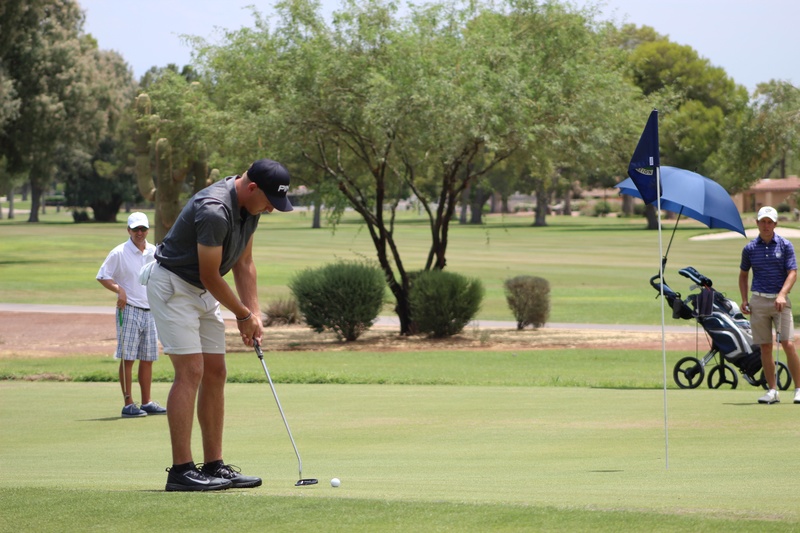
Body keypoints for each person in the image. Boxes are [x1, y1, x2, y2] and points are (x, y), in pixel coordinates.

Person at [145, 158, 293, 492]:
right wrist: (241, 315)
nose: (271, 208)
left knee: (216, 371)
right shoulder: (214, 210)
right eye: (270, 201)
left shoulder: (250, 208)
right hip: (173, 286)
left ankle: (214, 465)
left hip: (202, 290)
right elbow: (210, 274)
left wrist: (253, 313)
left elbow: (245, 262)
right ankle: (181, 471)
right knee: (191, 371)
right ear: (252, 187)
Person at [97, 212, 166, 418]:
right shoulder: (119, 252)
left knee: (147, 358)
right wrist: (119, 290)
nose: (139, 233)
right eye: (135, 229)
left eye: (143, 229)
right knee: (128, 358)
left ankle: (146, 402)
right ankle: (128, 403)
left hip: (150, 310)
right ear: (128, 230)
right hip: (128, 310)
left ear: (148, 230)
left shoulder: (154, 251)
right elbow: (103, 276)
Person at [739, 205, 800, 404]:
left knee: (788, 344)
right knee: (765, 347)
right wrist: (745, 299)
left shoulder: (785, 245)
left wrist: (782, 294)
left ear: (775, 224)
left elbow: (792, 273)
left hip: (780, 301)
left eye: (770, 222)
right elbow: (743, 275)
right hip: (758, 301)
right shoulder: (749, 249)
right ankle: (772, 390)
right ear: (757, 223)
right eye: (763, 222)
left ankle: (798, 389)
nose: (766, 225)